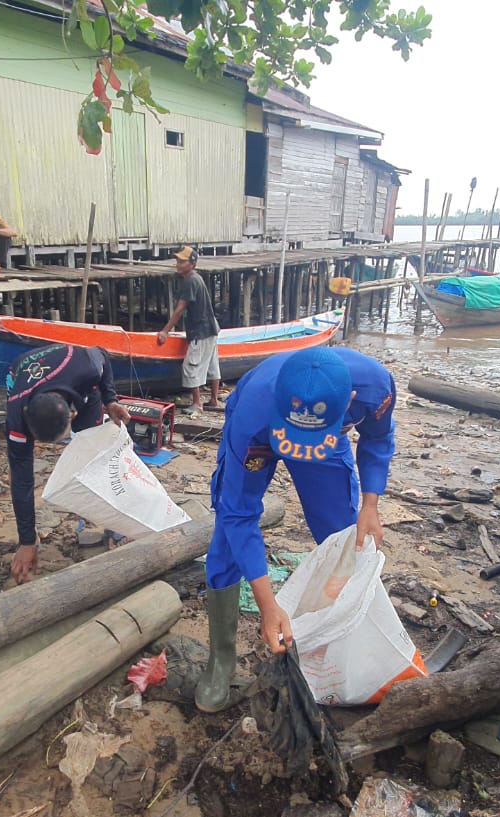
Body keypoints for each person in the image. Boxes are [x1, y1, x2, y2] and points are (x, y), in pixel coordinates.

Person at [194, 346, 397, 712]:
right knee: (227, 534)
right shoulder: (253, 411)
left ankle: (338, 634)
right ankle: (221, 659)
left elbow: (378, 439)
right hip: (263, 434)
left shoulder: (375, 387)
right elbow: (240, 515)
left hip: (327, 441)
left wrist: (370, 505)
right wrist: (268, 606)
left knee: (343, 533)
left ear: (348, 401)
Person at [5, 343, 132, 583]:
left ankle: (114, 524)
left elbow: (104, 354)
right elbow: (22, 480)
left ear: (71, 416)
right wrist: (26, 540)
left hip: (78, 377)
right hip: (21, 372)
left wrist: (110, 400)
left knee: (95, 456)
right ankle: (32, 536)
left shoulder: (89, 366)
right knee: (18, 464)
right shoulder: (16, 415)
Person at [155, 247, 222, 414]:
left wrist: (165, 332)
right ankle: (213, 400)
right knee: (212, 365)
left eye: (182, 261)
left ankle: (197, 403)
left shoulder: (191, 281)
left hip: (201, 330)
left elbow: (179, 309)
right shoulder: (195, 278)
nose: (178, 264)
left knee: (191, 366)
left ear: (192, 264)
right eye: (177, 261)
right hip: (210, 328)